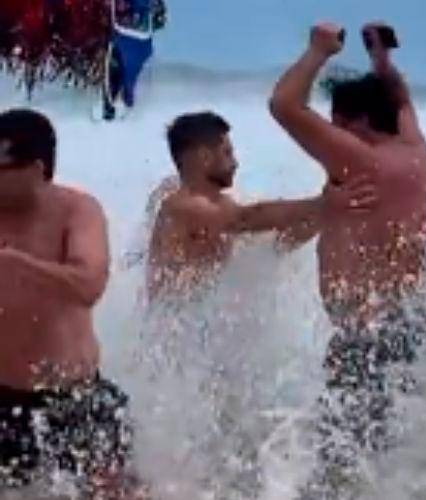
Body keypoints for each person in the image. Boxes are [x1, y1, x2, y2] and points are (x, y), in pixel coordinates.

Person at [269, 21, 426, 489]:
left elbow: (283, 105)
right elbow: (402, 101)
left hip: (364, 336)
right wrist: (383, 62)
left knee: (341, 471)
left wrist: (318, 51)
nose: (332, 133)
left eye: (337, 123)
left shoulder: (362, 161)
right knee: (387, 462)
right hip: (409, 324)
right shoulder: (418, 153)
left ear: (357, 123)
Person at [0, 108, 143, 498]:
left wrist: (18, 263)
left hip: (73, 396)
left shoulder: (76, 211)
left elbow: (89, 285)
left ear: (36, 168)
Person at [145, 111, 367, 302]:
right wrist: (325, 203)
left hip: (198, 315)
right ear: (204, 157)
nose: (235, 163)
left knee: (269, 248)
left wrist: (326, 212)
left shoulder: (182, 195)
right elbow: (247, 218)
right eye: (227, 153)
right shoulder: (189, 207)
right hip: (176, 325)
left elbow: (273, 243)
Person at [102, 0, 167, 121]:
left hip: (137, 44)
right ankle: (112, 110)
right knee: (116, 80)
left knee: (133, 88)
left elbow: (160, 19)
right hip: (123, 40)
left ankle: (122, 110)